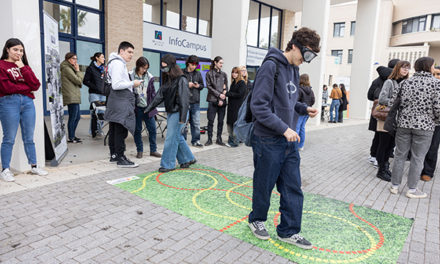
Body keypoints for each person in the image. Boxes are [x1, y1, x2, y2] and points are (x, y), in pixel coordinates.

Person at [248, 27, 320, 249]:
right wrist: (284, 128)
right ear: (295, 46)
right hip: (268, 139)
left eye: (312, 57)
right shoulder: (270, 66)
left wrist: (302, 108)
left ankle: (289, 231)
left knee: (292, 186)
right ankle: (257, 220)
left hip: (288, 140)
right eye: (306, 55)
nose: (306, 61)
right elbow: (258, 106)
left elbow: (286, 101)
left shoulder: (294, 69)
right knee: (264, 184)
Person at [389, 57, 440, 199]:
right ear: (429, 67)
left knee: (399, 155)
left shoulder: (405, 82)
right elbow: (438, 107)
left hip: (403, 124)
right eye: (433, 65)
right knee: (418, 158)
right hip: (425, 126)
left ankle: (394, 186)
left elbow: (393, 102)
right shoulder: (436, 84)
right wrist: (435, 120)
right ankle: (411, 189)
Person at [0, 38, 48, 181]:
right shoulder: (1, 65)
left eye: (21, 50)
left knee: (29, 137)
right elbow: (6, 88)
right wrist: (26, 88)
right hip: (9, 102)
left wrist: (22, 67)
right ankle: (5, 169)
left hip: (27, 103)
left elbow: (36, 85)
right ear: (7, 49)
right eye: (15, 49)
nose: (19, 53)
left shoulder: (24, 66)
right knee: (9, 138)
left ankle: (34, 166)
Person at [144, 54, 195, 173]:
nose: (163, 69)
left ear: (172, 66)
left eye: (165, 66)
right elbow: (159, 96)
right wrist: (148, 108)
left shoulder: (181, 79)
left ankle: (168, 164)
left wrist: (183, 118)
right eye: (162, 67)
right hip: (172, 112)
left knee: (171, 138)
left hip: (179, 112)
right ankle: (188, 158)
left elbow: (184, 100)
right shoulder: (168, 80)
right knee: (177, 137)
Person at [104, 41, 141, 168]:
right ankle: (120, 158)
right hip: (120, 100)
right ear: (121, 51)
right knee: (120, 129)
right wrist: (133, 83)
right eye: (129, 52)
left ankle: (114, 155)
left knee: (114, 128)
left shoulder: (113, 62)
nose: (131, 55)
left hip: (115, 100)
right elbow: (116, 84)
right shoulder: (118, 64)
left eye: (132, 52)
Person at [376, 60, 410, 182]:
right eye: (404, 67)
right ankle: (381, 170)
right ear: (397, 68)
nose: (406, 70)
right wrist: (397, 103)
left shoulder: (406, 83)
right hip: (386, 118)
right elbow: (382, 99)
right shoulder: (389, 82)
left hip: (397, 120)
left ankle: (385, 167)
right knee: (383, 145)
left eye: (408, 68)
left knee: (391, 146)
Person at [367, 59, 400, 166]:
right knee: (386, 138)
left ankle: (373, 156)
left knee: (378, 136)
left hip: (378, 111)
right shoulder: (395, 80)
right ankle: (381, 159)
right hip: (390, 113)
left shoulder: (377, 80)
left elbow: (369, 96)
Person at [130, 57, 161, 159]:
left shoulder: (149, 77)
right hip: (136, 108)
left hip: (148, 107)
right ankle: (140, 150)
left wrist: (153, 105)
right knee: (137, 130)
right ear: (138, 66)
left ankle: (153, 150)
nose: (144, 70)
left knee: (152, 129)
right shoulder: (130, 75)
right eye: (143, 68)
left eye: (146, 68)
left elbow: (153, 93)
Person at [421, 65, 440, 181]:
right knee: (422, 147)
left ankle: (428, 171)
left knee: (433, 146)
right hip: (424, 121)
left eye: (438, 74)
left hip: (438, 123)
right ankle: (418, 168)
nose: (435, 77)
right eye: (433, 74)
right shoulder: (427, 86)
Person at [61, 52, 84, 143]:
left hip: (74, 95)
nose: (75, 61)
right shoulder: (66, 68)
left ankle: (73, 136)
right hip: (71, 96)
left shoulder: (70, 68)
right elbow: (78, 80)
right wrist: (78, 71)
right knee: (73, 117)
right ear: (68, 59)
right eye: (74, 59)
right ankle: (71, 137)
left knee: (77, 117)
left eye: (76, 59)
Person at [205, 56, 228, 146]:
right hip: (212, 100)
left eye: (222, 63)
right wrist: (219, 95)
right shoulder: (209, 74)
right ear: (215, 62)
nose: (221, 65)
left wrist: (222, 97)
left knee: (221, 121)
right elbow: (209, 87)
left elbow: (226, 87)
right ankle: (209, 139)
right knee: (210, 121)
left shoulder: (224, 74)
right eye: (220, 63)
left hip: (222, 101)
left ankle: (219, 138)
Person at [183, 55, 205, 147]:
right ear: (188, 63)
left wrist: (197, 86)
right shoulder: (182, 72)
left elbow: (202, 85)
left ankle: (196, 140)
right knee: (184, 123)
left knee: (196, 123)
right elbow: (178, 85)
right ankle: (182, 141)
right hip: (185, 101)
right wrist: (187, 84)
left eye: (196, 65)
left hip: (195, 101)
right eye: (193, 64)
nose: (194, 66)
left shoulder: (198, 73)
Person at [83, 52, 106, 138]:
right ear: (97, 58)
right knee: (94, 112)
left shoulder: (103, 69)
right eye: (102, 57)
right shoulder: (91, 68)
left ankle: (99, 130)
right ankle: (93, 131)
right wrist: (95, 87)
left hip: (103, 94)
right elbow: (85, 81)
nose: (104, 59)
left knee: (102, 113)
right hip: (94, 94)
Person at [225, 66, 247, 147]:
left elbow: (240, 94)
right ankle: (230, 141)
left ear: (239, 73)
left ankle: (234, 142)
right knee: (229, 124)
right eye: (233, 72)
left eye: (236, 72)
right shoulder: (233, 83)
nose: (234, 74)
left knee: (234, 125)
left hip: (237, 107)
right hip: (231, 107)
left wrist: (227, 93)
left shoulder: (242, 83)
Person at [296, 74, 315, 151]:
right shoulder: (311, 90)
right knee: (302, 128)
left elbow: (295, 101)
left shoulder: (299, 89)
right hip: (307, 111)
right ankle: (301, 146)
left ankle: (294, 146)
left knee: (297, 128)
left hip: (300, 111)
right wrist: (308, 106)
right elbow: (313, 100)